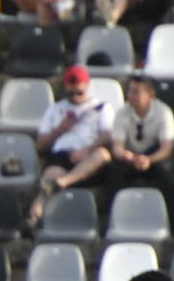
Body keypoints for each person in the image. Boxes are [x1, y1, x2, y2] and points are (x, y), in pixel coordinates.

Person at [30, 64, 114, 225]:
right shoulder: (55, 110)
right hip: (62, 156)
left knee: (103, 155)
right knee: (50, 174)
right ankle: (34, 216)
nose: (75, 96)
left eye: (79, 92)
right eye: (71, 92)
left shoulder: (101, 108)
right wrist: (61, 129)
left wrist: (87, 150)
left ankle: (62, 183)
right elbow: (40, 144)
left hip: (88, 156)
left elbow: (107, 135)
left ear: (87, 86)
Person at [107, 74, 174, 226]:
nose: (131, 96)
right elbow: (117, 147)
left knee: (168, 177)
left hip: (155, 156)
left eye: (136, 92)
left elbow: (166, 148)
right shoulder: (122, 113)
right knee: (113, 173)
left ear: (150, 95)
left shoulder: (164, 112)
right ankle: (114, 217)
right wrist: (129, 157)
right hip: (131, 157)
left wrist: (149, 159)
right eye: (130, 91)